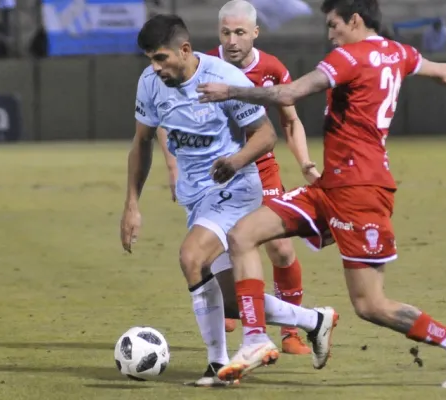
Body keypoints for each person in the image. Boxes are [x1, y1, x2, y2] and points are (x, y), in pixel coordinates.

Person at [197, 0, 446, 388]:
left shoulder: (348, 57)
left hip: (360, 192)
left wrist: (229, 90)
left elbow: (289, 94)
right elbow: (444, 72)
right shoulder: (398, 52)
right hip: (331, 185)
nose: (330, 35)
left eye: (333, 25)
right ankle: (255, 339)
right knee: (243, 234)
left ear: (355, 20)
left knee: (370, 305)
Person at [120, 14, 336, 387]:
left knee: (191, 257)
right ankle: (314, 320)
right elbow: (142, 142)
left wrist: (236, 160)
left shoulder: (224, 79)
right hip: (197, 198)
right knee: (233, 300)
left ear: (184, 50)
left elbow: (266, 135)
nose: (154, 68)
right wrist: (131, 205)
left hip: (235, 188)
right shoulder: (149, 84)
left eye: (160, 58)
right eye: (149, 60)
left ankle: (217, 366)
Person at [209, 0, 319, 354]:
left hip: (261, 167)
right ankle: (230, 308)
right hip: (217, 170)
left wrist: (305, 164)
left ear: (255, 32)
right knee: (216, 244)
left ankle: (291, 331)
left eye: (240, 32)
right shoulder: (204, 66)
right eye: (226, 32)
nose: (232, 40)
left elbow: (290, 121)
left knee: (282, 249)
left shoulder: (271, 68)